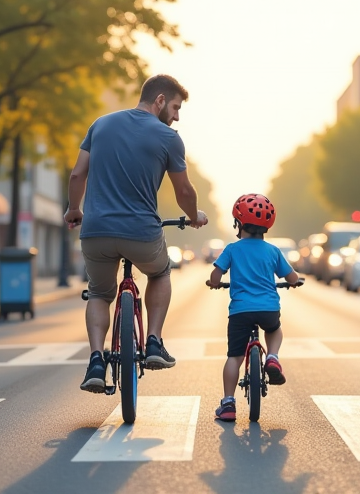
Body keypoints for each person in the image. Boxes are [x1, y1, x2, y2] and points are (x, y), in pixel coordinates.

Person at [64, 74, 209, 394]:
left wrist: (75, 209)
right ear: (158, 101)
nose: (177, 116)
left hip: (97, 232)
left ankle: (96, 361)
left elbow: (77, 174)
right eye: (174, 107)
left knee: (100, 293)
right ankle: (154, 342)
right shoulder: (169, 138)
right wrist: (193, 216)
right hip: (141, 234)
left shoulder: (99, 125)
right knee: (160, 273)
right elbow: (184, 190)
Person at [206, 193, 301, 421]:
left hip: (240, 311)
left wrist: (214, 282)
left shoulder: (232, 249)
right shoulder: (273, 251)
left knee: (234, 357)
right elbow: (291, 276)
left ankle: (228, 404)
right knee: (274, 328)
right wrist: (294, 281)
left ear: (238, 223)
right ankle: (273, 357)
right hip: (268, 308)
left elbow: (216, 275)